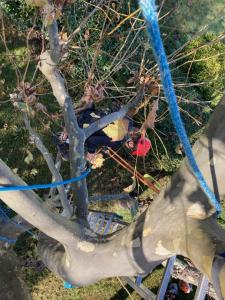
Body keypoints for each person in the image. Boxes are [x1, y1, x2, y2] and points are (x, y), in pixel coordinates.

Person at [56, 104, 151, 167]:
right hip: (81, 128)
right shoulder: (118, 141)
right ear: (131, 144)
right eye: (132, 148)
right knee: (68, 156)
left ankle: (65, 135)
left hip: (88, 114)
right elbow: (92, 140)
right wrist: (91, 153)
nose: (129, 148)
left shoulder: (129, 120)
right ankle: (64, 140)